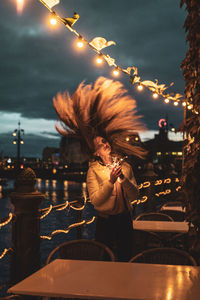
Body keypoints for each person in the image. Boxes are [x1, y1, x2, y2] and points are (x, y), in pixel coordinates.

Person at [53, 76, 146, 261]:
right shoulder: (93, 171)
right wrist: (111, 181)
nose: (105, 144)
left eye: (105, 141)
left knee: (126, 257)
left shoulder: (125, 166)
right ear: (95, 152)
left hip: (126, 219)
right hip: (106, 222)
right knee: (104, 259)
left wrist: (123, 180)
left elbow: (135, 195)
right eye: (100, 144)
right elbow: (95, 201)